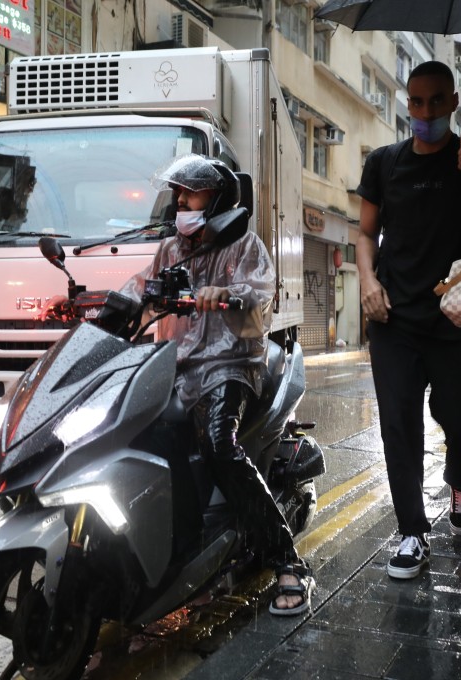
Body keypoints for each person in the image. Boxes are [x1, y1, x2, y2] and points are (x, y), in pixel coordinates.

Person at [118, 155, 315, 616]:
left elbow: (259, 294)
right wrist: (95, 304)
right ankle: (183, 556)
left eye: (191, 194)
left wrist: (227, 294)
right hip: (175, 368)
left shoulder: (245, 245)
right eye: (178, 194)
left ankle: (287, 561)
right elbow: (140, 288)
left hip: (230, 366)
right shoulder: (171, 250)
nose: (181, 201)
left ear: (218, 199)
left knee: (219, 446)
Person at [356, 61, 461, 580]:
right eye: (416, 101)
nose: (426, 111)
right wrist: (367, 282)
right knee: (398, 424)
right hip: (394, 317)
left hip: (459, 315)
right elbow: (365, 233)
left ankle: (460, 481)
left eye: (436, 101)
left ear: (454, 102)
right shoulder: (383, 163)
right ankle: (412, 532)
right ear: (406, 102)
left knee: (460, 417)